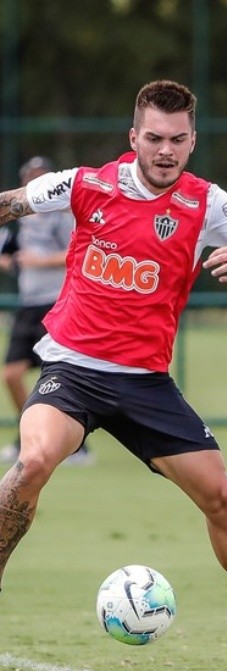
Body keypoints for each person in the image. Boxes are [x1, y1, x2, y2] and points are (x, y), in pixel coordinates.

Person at [0, 79, 227, 664]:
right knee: (32, 463)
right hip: (72, 370)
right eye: (154, 137)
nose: (165, 150)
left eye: (177, 140)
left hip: (144, 382)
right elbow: (11, 202)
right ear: (134, 137)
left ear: (192, 141)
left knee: (222, 496)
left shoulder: (208, 202)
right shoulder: (84, 184)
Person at [0, 156, 92, 466]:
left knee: (56, 378)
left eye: (42, 177)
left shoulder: (62, 218)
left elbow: (76, 253)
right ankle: (29, 437)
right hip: (28, 304)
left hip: (56, 302)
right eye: (31, 177)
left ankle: (74, 446)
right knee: (11, 374)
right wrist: (14, 262)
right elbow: (9, 254)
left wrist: (38, 261)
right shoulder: (22, 221)